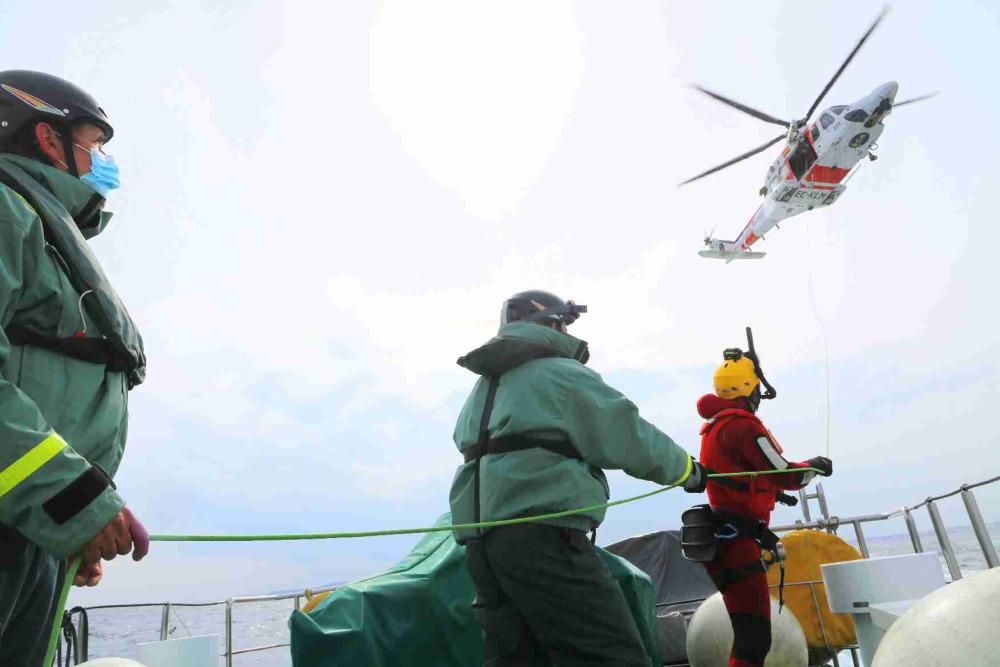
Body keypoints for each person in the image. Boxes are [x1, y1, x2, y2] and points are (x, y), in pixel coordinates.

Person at [449, 289, 706, 666]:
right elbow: (627, 434)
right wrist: (690, 471)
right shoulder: (561, 376)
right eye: (564, 323)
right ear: (552, 324)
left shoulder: (483, 390)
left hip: (483, 548)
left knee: (519, 658)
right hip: (545, 540)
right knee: (611, 654)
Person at [0, 70, 148, 666]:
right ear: (46, 138)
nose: (102, 161)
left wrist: (70, 521)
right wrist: (74, 502)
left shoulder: (35, 222)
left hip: (29, 524)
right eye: (93, 143)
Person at [695, 341, 832, 667]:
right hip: (737, 540)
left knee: (749, 634)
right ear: (750, 391)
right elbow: (782, 472)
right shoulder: (743, 425)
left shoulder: (716, 426)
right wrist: (814, 467)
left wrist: (770, 493)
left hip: (724, 536)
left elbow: (742, 476)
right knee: (754, 638)